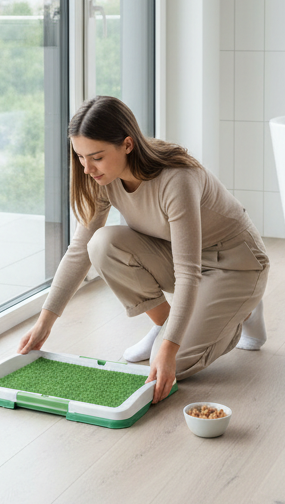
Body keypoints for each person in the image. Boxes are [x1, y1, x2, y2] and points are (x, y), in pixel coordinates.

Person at [18, 95, 269, 403]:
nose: (86, 169)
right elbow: (80, 250)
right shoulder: (103, 178)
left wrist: (169, 348)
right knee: (102, 243)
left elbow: (188, 274)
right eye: (80, 157)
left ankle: (242, 306)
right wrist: (45, 322)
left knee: (170, 364)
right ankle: (167, 323)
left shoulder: (177, 179)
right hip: (181, 258)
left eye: (95, 157)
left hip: (235, 264)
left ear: (127, 144)